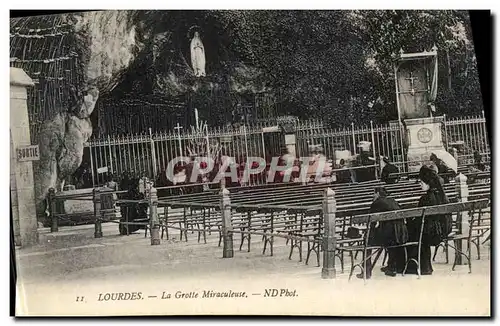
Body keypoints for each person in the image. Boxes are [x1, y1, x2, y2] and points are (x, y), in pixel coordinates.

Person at [405, 165, 452, 275]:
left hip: (430, 233)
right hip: (442, 230)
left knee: (410, 230)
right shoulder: (442, 196)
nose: (420, 184)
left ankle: (415, 266)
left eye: (421, 182)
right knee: (416, 229)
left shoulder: (425, 198)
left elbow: (420, 219)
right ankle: (425, 266)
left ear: (428, 183)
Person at [357, 187, 408, 279]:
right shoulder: (393, 200)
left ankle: (366, 271)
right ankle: (392, 267)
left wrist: (367, 235)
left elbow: (371, 222)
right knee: (390, 238)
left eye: (374, 194)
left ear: (377, 194)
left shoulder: (376, 203)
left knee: (367, 241)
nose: (373, 196)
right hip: (400, 235)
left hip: (389, 237)